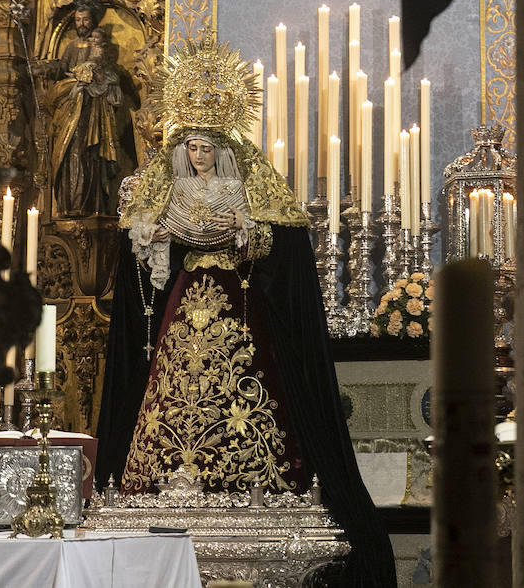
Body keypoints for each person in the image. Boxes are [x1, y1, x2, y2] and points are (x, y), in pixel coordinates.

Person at [95, 39, 394, 586]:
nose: (198, 156)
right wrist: (155, 236)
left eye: (206, 147)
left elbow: (276, 242)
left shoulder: (245, 185)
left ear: (222, 148)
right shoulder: (169, 188)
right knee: (172, 382)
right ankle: (162, 491)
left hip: (235, 301)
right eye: (191, 147)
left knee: (248, 378)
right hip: (185, 299)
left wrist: (244, 231)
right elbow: (145, 243)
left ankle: (256, 489)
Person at [40, 0, 138, 216]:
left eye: (85, 20)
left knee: (90, 155)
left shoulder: (101, 49)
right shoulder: (71, 47)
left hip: (92, 113)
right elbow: (61, 71)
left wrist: (96, 77)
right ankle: (69, 204)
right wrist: (47, 70)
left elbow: (109, 77)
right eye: (78, 20)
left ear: (93, 21)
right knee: (68, 155)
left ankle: (91, 204)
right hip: (69, 108)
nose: (81, 24)